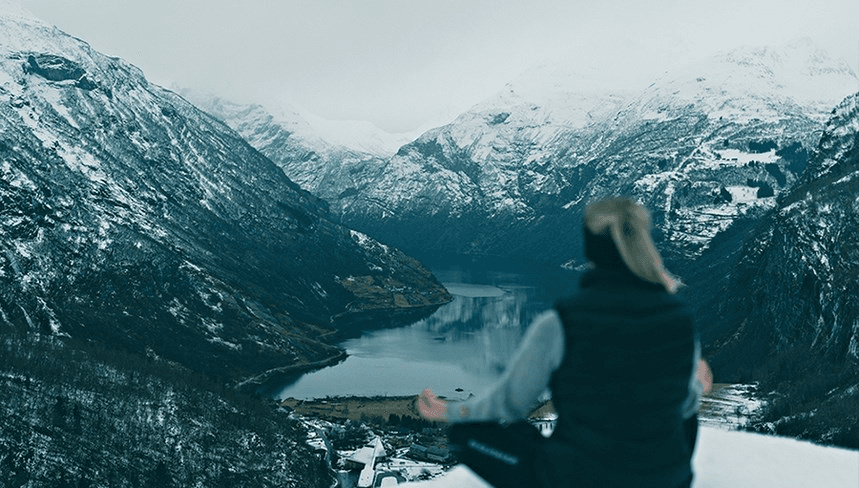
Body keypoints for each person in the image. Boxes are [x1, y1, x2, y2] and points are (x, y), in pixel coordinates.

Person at [418, 197, 712, 488]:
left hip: (578, 478)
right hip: (668, 479)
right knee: (686, 409)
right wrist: (698, 385)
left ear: (589, 249)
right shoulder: (679, 316)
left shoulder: (562, 323)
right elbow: (684, 404)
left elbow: (509, 405)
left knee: (466, 436)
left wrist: (448, 411)